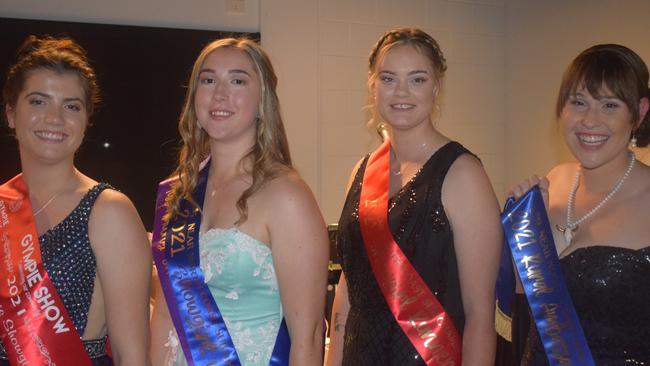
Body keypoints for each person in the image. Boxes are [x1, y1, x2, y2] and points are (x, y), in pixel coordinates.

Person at [325, 27, 503, 366]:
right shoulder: (361, 172)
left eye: (417, 79)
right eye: (389, 78)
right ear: (372, 85)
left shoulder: (463, 174)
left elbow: (481, 317)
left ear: (436, 87)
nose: (401, 92)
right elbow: (349, 291)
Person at [149, 37, 329, 366]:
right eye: (208, 80)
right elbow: (164, 314)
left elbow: (309, 335)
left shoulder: (286, 195)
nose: (220, 93)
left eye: (237, 80)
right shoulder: (178, 194)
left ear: (263, 100)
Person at [0, 36, 152, 365]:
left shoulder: (108, 210)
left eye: (71, 106)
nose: (55, 118)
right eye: (38, 102)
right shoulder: (2, 205)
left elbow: (133, 355)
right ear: (11, 113)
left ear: (86, 120)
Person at [509, 44, 650, 364]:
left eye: (609, 105)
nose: (589, 120)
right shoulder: (554, 181)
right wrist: (525, 231)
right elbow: (524, 297)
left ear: (639, 113)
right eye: (578, 102)